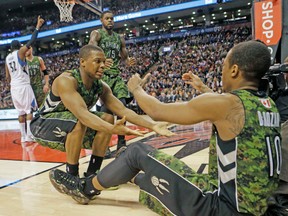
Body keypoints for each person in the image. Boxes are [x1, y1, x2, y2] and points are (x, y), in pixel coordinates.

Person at [49, 40, 282, 215]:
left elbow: (157, 110)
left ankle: (84, 188)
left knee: (136, 152)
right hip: (255, 205)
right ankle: (127, 178)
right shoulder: (268, 105)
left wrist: (136, 89)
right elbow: (230, 113)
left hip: (222, 208)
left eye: (225, 65)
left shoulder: (226, 104)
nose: (222, 70)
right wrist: (204, 89)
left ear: (234, 70)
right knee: (162, 170)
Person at [30, 44, 173, 179]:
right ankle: (72, 176)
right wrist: (113, 129)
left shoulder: (101, 86)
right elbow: (83, 114)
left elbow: (122, 110)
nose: (103, 66)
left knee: (108, 118)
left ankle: (93, 174)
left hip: (70, 124)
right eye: (97, 61)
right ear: (83, 62)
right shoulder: (66, 80)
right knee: (80, 121)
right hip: (41, 125)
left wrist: (152, 125)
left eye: (104, 62)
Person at [89, 10, 136, 158]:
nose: (110, 21)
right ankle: (104, 144)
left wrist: (128, 61)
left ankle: (121, 144)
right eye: (107, 19)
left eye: (112, 19)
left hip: (116, 77)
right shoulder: (96, 34)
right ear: (101, 20)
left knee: (122, 107)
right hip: (102, 78)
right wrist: (100, 59)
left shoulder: (119, 38)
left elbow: (124, 55)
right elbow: (90, 50)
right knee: (107, 114)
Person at [5, 16, 45, 143]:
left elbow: (7, 76)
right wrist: (37, 27)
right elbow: (32, 41)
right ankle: (29, 135)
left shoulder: (7, 58)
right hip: (23, 85)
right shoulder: (20, 52)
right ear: (19, 47)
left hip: (14, 87)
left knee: (20, 113)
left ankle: (23, 137)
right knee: (29, 110)